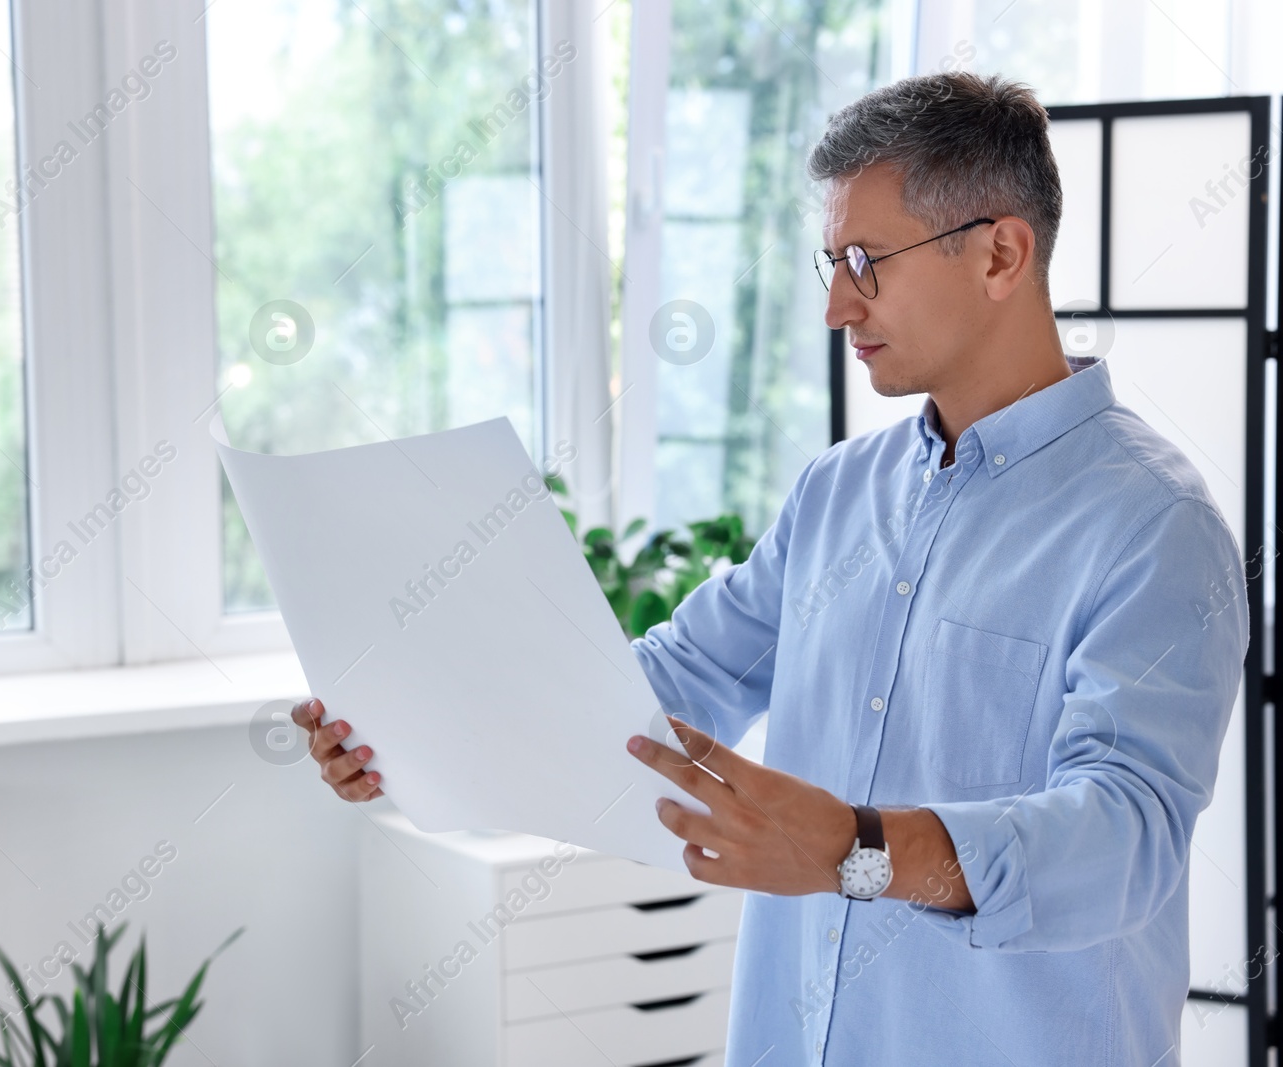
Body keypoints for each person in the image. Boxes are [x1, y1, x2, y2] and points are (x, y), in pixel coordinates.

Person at [292, 71, 1249, 1065]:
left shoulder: (1152, 527)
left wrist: (856, 851)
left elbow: (1121, 837)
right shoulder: (837, 491)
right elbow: (664, 682)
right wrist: (409, 735)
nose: (837, 304)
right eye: (829, 262)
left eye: (866, 261)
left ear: (1000, 253)